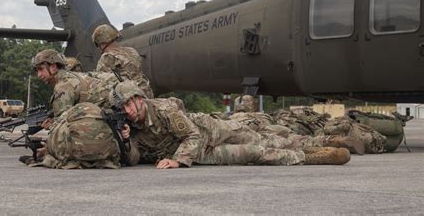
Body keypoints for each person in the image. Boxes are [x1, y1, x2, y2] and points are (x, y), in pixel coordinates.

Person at [111, 81, 352, 169]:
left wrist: (177, 160)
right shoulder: (132, 127)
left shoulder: (164, 110)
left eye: (129, 105)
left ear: (139, 99)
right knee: (256, 153)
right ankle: (315, 157)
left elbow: (192, 135)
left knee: (265, 139)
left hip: (212, 131)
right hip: (204, 154)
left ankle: (320, 142)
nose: (127, 111)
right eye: (123, 109)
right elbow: (134, 159)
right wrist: (125, 140)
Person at [23, 102, 139, 169]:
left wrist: (47, 151)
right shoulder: (107, 120)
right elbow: (132, 160)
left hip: (70, 153)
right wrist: (125, 139)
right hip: (107, 157)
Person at [92, 24, 154, 98]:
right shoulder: (131, 51)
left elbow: (102, 84)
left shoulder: (106, 57)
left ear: (101, 43)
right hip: (146, 94)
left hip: (131, 99)